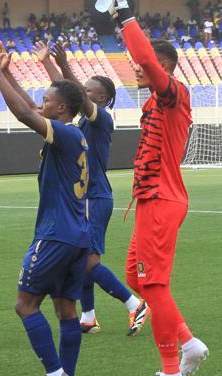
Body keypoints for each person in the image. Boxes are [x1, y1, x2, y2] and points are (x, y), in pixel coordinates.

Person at [94, 0, 209, 376]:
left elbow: (142, 57)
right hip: (151, 199)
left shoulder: (172, 91)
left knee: (154, 284)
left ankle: (171, 374)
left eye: (143, 67)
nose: (136, 72)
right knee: (137, 278)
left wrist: (124, 12)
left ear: (161, 67)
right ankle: (188, 342)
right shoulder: (157, 99)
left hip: (162, 199)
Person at [0, 39, 89, 376]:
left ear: (61, 108)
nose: (41, 103)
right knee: (65, 309)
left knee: (25, 305)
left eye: (47, 100)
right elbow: (30, 107)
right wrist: (8, 73)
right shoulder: (72, 133)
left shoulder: (66, 133)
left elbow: (25, 114)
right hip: (77, 235)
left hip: (56, 233)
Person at [35, 41, 148, 337]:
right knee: (79, 258)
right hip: (82, 200)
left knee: (86, 260)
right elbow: (65, 94)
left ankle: (134, 303)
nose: (82, 94)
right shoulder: (77, 122)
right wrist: (49, 63)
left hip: (94, 198)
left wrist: (64, 66)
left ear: (102, 98)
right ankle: (88, 317)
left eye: (89, 91)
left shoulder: (101, 120)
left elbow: (75, 96)